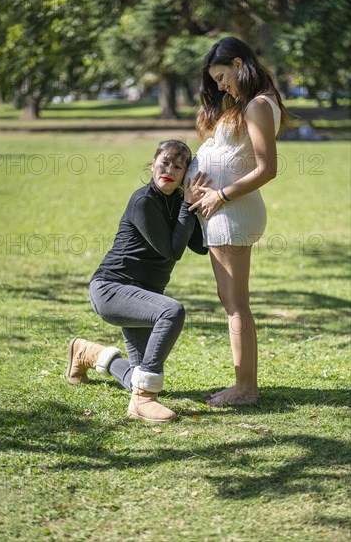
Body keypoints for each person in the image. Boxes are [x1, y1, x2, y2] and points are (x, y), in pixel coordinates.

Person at [66, 140, 208, 423]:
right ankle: (142, 402)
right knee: (172, 311)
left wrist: (204, 202)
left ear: (186, 175)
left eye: (178, 167)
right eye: (164, 162)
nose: (169, 170)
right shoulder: (143, 201)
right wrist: (188, 205)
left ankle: (90, 353)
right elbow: (172, 250)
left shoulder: (179, 202)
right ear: (152, 164)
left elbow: (201, 246)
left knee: (140, 375)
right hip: (112, 289)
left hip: (142, 295)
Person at [186, 37, 290, 406]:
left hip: (232, 213)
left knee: (236, 303)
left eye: (221, 76)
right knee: (230, 299)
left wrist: (220, 194)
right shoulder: (246, 104)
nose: (219, 85)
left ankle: (245, 388)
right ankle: (242, 384)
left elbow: (268, 168)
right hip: (222, 213)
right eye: (214, 81)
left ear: (237, 63)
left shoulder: (259, 105)